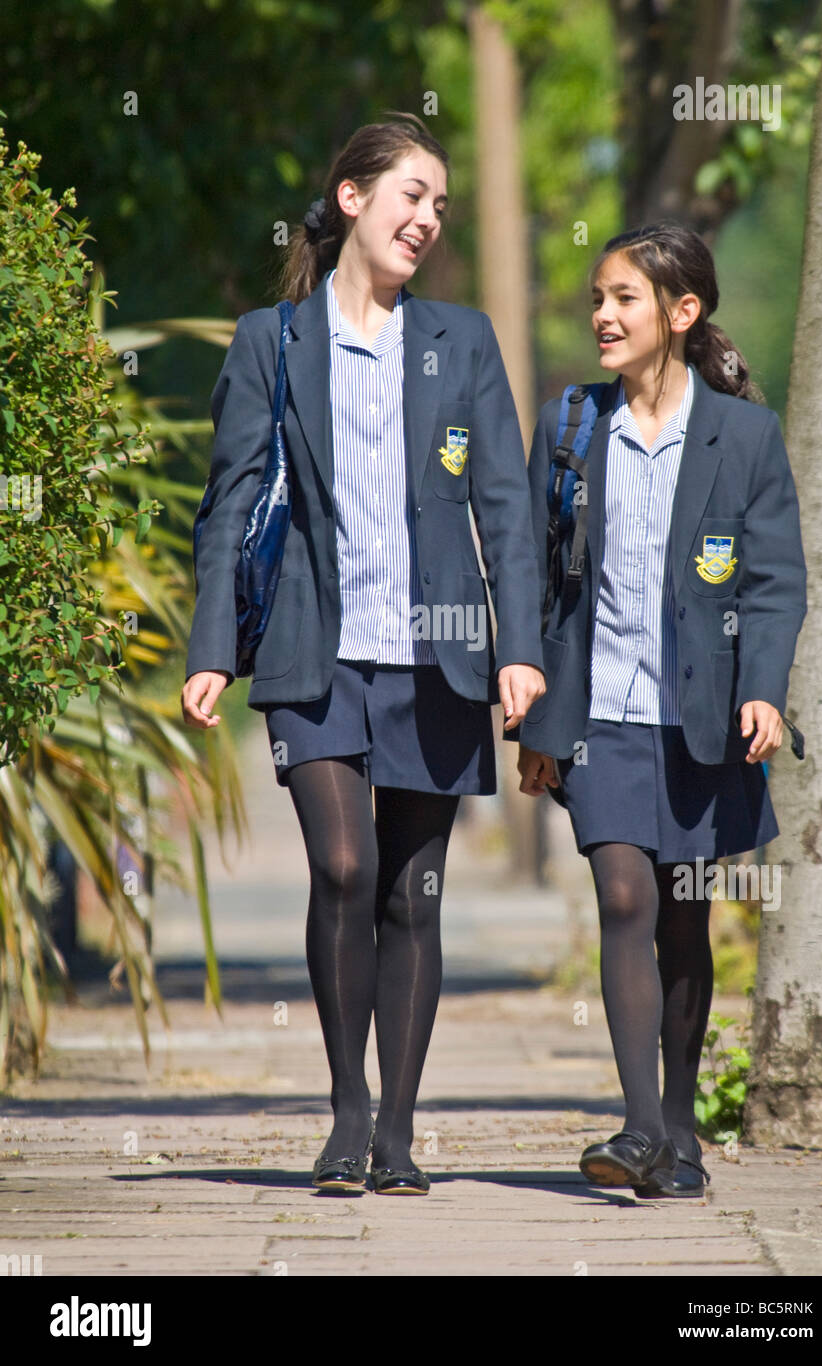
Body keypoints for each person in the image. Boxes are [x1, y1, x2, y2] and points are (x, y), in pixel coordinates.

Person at [181, 113, 545, 1195]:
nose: (428, 217)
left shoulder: (462, 340)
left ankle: (396, 1128)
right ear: (351, 198)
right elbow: (229, 501)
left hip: (436, 654)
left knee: (411, 894)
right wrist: (212, 646)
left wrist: (519, 648)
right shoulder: (271, 341)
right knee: (343, 867)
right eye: (412, 194)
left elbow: (506, 510)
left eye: (440, 203)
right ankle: (345, 1112)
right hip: (315, 649)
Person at [515, 222, 806, 1198]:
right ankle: (638, 1125)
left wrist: (762, 684)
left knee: (681, 921)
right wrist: (529, 710)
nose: (602, 314)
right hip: (597, 716)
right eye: (597, 297)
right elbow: (532, 578)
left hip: (701, 717)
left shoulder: (743, 437)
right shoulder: (568, 426)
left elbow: (771, 582)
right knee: (624, 897)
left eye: (623, 299)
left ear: (680, 314)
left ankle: (677, 1131)